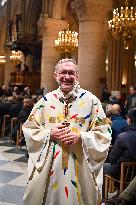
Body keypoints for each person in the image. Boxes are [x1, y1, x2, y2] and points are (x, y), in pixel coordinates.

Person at [22, 58, 111, 205]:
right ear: (56, 75)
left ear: (77, 76)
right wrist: (50, 133)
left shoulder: (91, 101)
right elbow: (29, 128)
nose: (67, 77)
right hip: (52, 168)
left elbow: (104, 132)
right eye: (63, 72)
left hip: (80, 167)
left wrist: (81, 137)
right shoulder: (45, 101)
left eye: (71, 73)